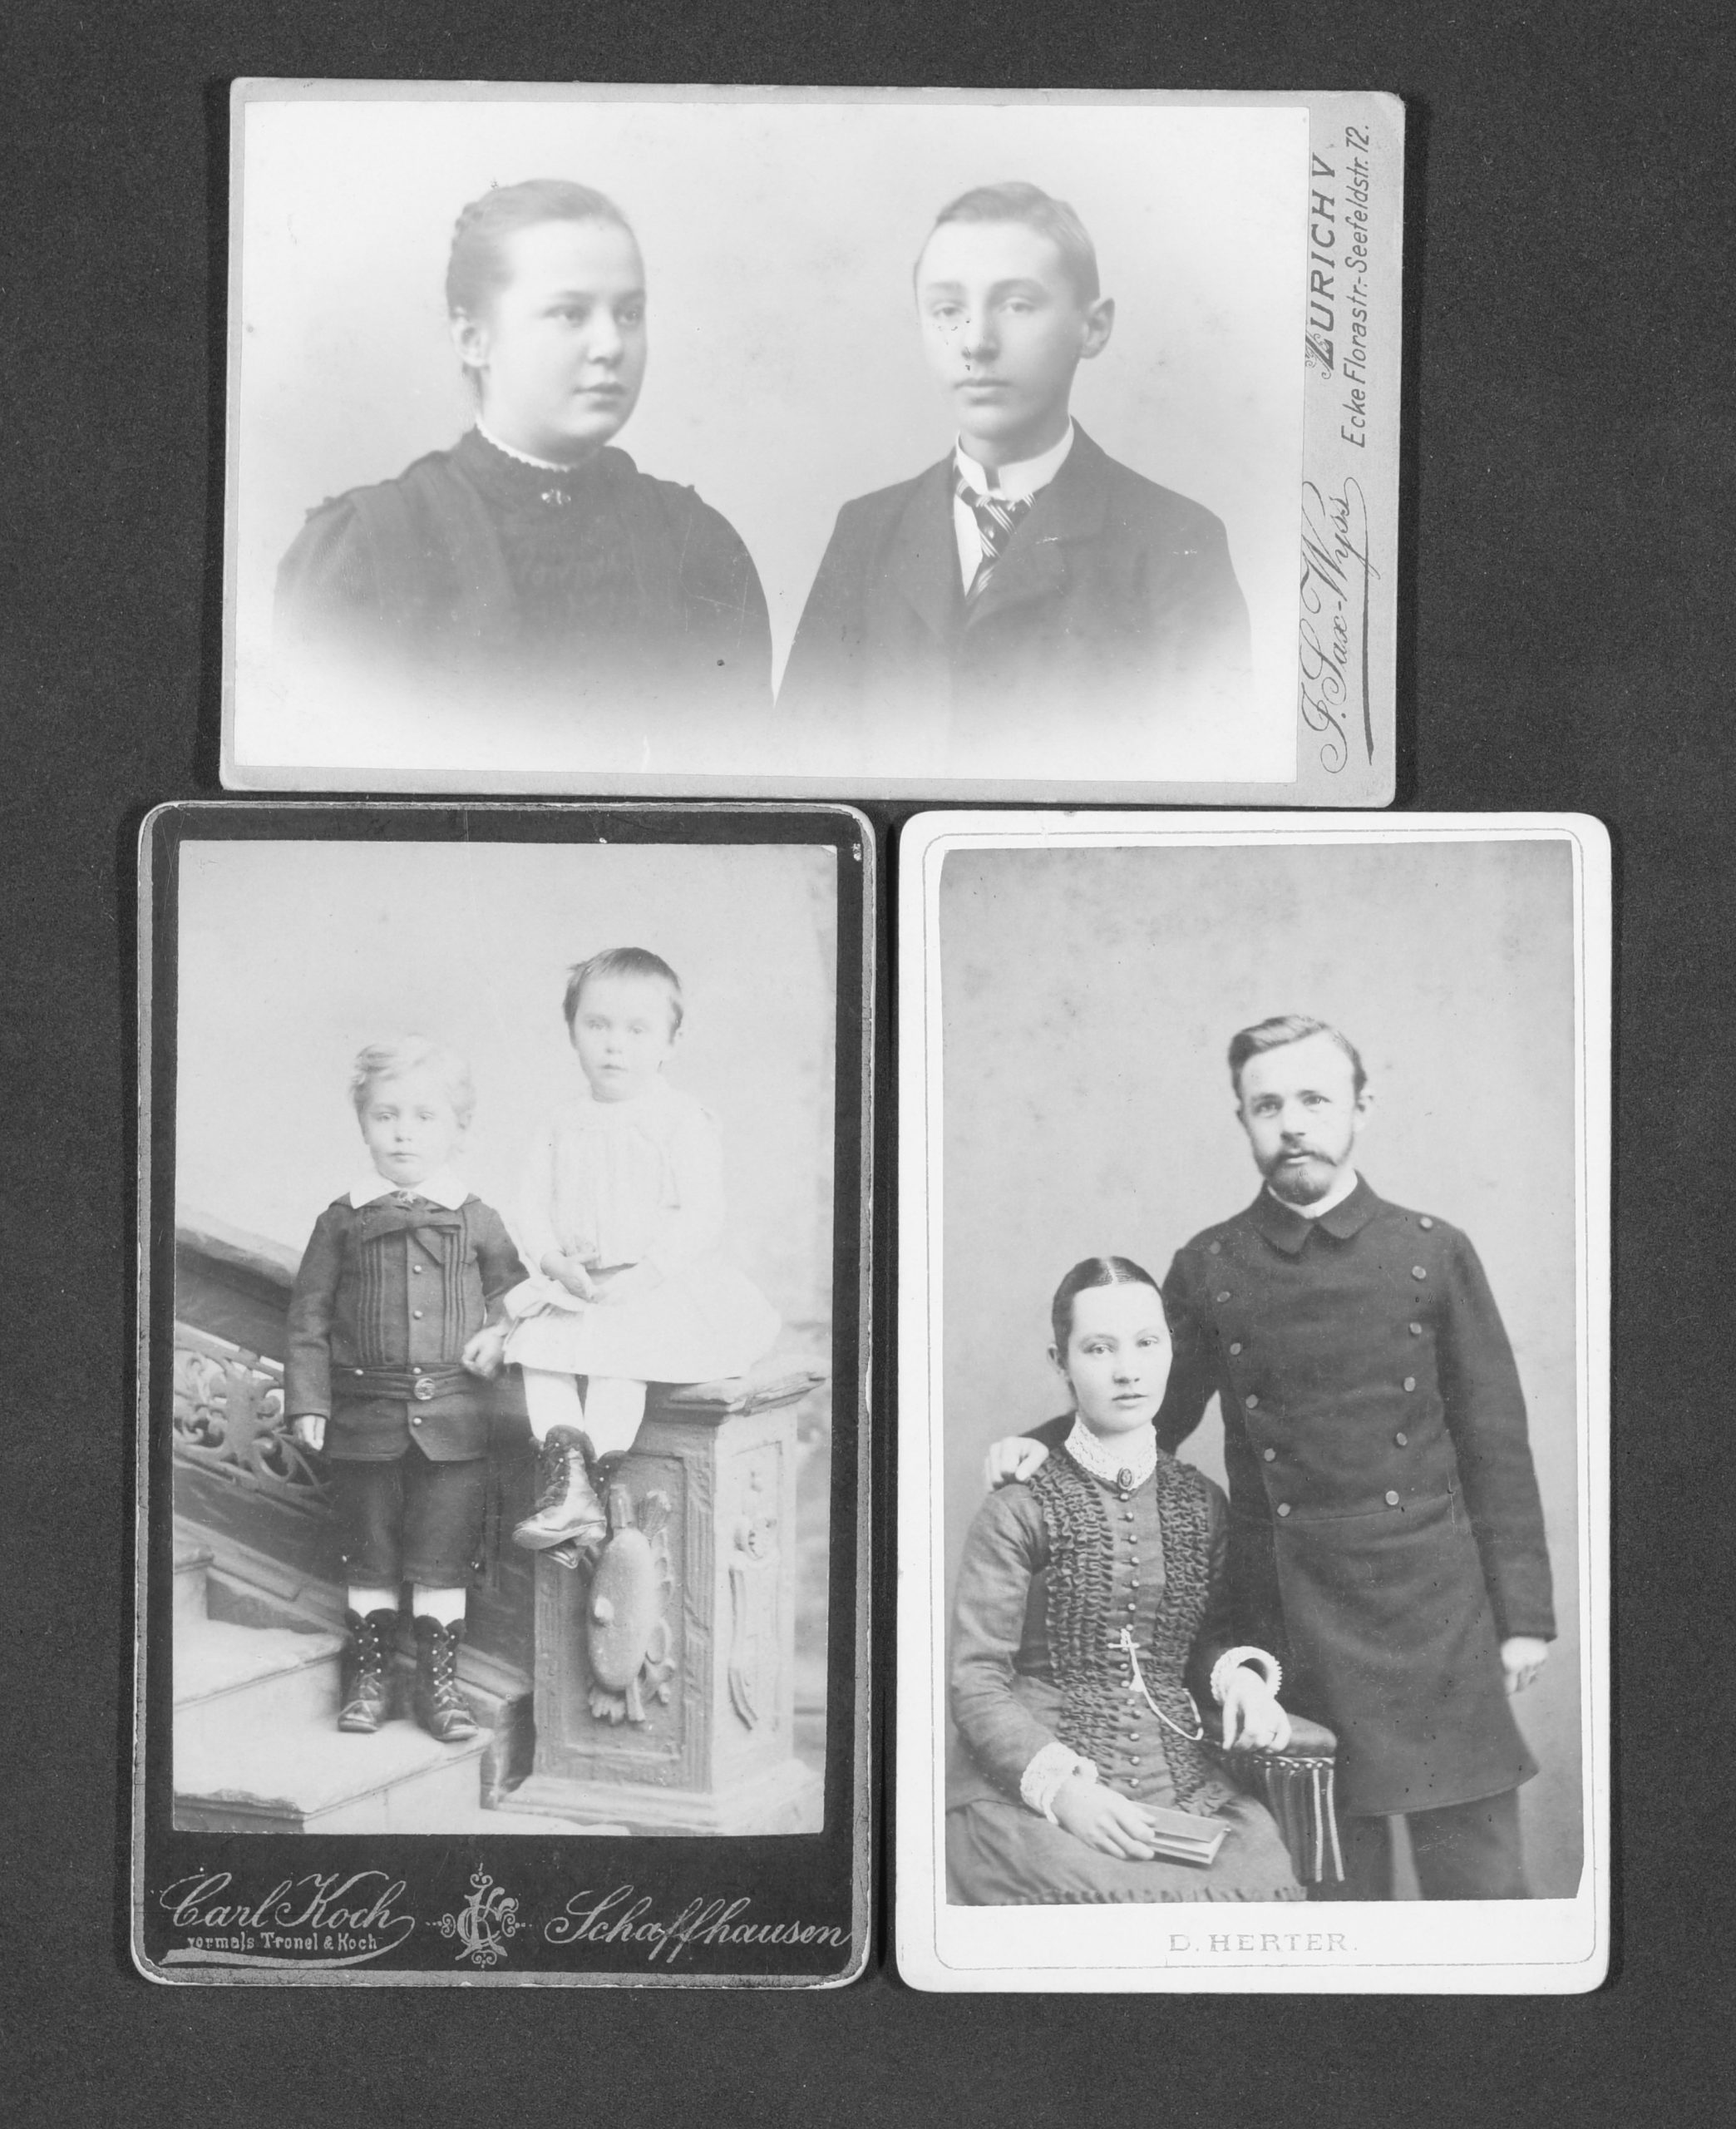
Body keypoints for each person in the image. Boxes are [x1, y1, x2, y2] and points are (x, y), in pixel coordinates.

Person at [987, 1018, 1556, 1899]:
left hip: (1437, 1614)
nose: (1292, 1124)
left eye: (1314, 1100)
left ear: (1362, 1108)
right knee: (1334, 1883)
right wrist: (1044, 1443)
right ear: (1244, 1120)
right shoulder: (1212, 1264)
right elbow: (1152, 1410)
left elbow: (1495, 1440)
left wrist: (1523, 1617)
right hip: (1293, 1621)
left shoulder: (1433, 1251)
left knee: (1480, 1887)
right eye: (1268, 1106)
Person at [777, 181, 1251, 778]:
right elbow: (799, 770)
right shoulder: (866, 533)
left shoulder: (1176, 543)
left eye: (1018, 305)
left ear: (1093, 327)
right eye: (947, 311)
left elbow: (1205, 782)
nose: (976, 342)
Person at [275, 179, 772, 743]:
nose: (611, 344)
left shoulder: (697, 543)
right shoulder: (367, 548)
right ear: (473, 339)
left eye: (629, 313)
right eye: (570, 313)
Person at [949, 1256, 1303, 1905]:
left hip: (1182, 1783)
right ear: (1061, 1362)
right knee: (1082, 1892)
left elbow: (1206, 1642)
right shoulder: (1019, 1508)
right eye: (1098, 1348)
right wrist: (1066, 1793)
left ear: (1171, 1351)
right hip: (1036, 1788)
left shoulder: (1201, 1503)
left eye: (1146, 1343)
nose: (1127, 1370)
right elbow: (976, 1681)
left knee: (1261, 1877)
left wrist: (1244, 1683)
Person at [503, 947, 782, 1559]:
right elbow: (530, 1207)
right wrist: (552, 1262)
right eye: (597, 1025)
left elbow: (701, 1213)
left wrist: (648, 1273)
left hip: (652, 1284)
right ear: (572, 1031)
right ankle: (569, 1486)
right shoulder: (560, 1123)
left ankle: (590, 1492)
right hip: (579, 1283)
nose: (614, 1045)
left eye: (637, 1030)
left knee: (619, 1363)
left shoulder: (678, 1119)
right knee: (538, 1357)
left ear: (671, 1042)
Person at [284, 1040, 525, 1746]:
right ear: (363, 1124)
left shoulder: (477, 1217)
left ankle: (438, 1690)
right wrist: (309, 1400)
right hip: (364, 1422)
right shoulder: (341, 1219)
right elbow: (308, 1317)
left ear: (459, 1129)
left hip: (456, 1423)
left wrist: (501, 1334)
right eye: (386, 1115)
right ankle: (370, 1681)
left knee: (444, 1558)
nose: (403, 1132)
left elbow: (515, 1297)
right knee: (370, 1554)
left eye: (425, 1116)